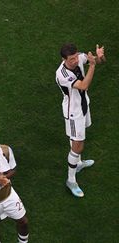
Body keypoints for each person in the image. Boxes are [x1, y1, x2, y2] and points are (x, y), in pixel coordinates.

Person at [55, 43, 106, 197]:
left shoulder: (79, 58)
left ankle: (77, 164)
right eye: (72, 59)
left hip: (83, 105)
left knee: (77, 140)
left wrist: (99, 57)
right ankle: (71, 180)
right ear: (64, 59)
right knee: (78, 146)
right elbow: (83, 85)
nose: (76, 61)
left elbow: (96, 60)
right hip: (73, 112)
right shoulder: (62, 74)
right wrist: (92, 65)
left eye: (77, 56)